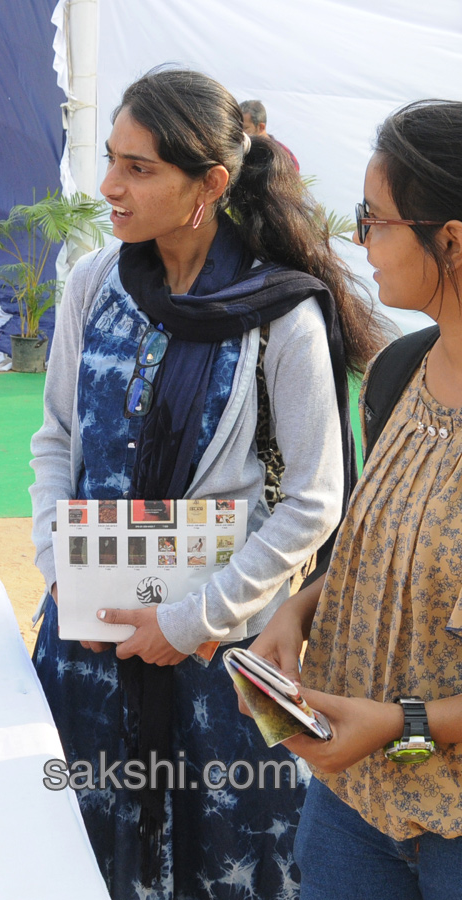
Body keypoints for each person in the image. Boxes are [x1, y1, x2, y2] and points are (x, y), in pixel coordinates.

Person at [28, 67, 385, 900]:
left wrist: (190, 620)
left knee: (219, 858)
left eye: (139, 168)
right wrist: (59, 567)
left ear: (210, 185)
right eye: (112, 159)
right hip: (90, 641)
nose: (109, 187)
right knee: (84, 845)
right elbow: (55, 439)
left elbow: (312, 500)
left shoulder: (281, 314)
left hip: (216, 658)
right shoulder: (95, 284)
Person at [244, 99, 462, 900]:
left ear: (453, 239)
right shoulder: (399, 372)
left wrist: (402, 725)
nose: (357, 239)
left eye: (373, 219)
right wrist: (296, 613)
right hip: (355, 802)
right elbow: (386, 550)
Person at [240, 99, 300, 172]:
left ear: (261, 127)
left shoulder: (281, 156)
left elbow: (292, 180)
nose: (240, 132)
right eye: (237, 127)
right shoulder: (238, 150)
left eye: (245, 128)